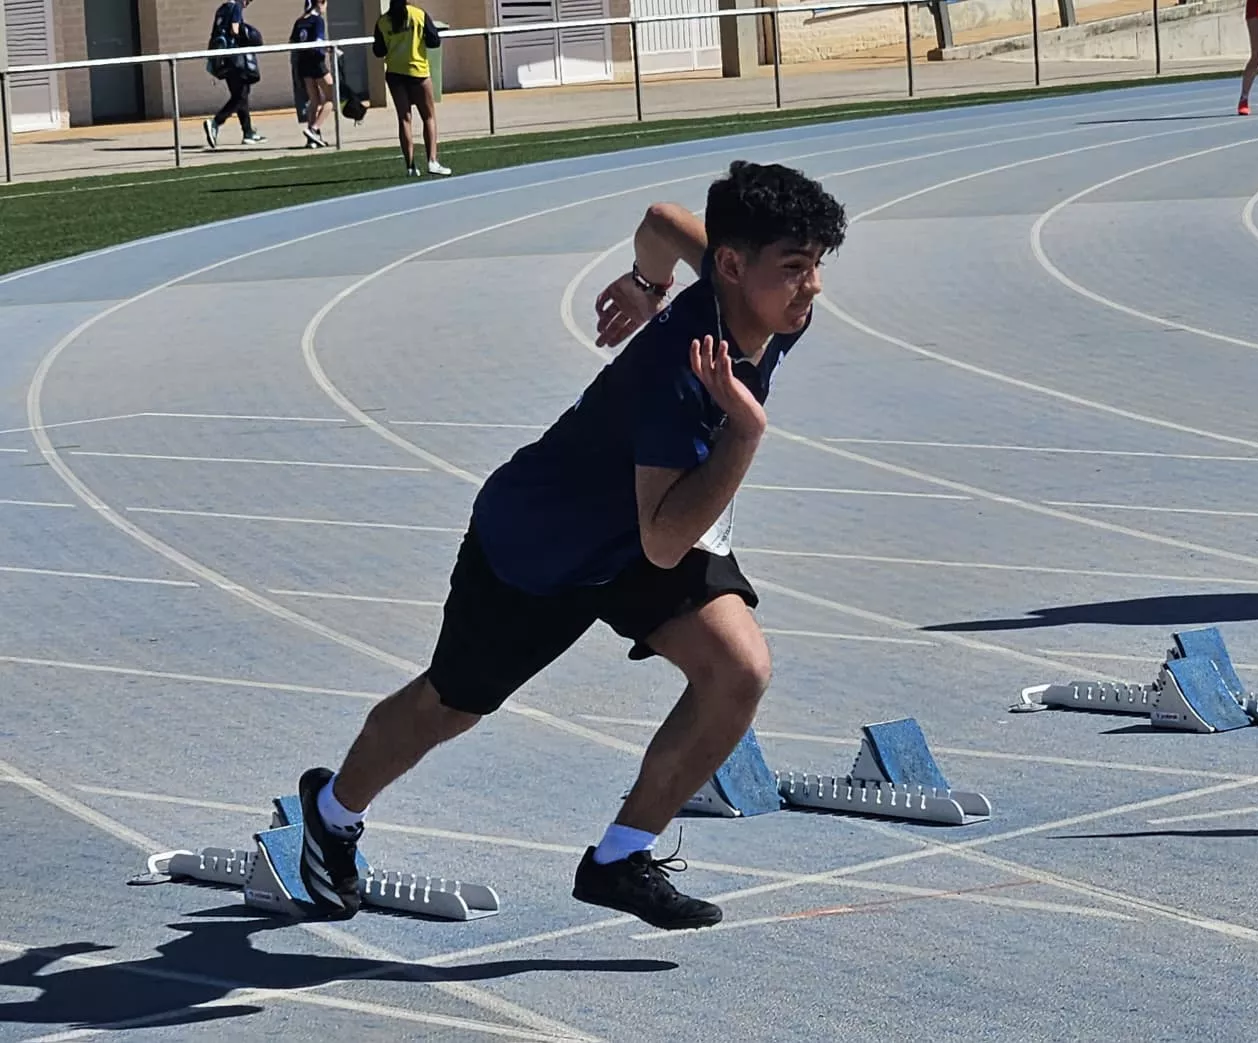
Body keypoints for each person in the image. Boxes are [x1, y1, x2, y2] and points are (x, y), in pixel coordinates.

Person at [294, 160, 847, 931]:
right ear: (732, 264)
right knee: (447, 707)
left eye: (816, 265)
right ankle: (330, 812)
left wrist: (644, 284)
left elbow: (661, 220)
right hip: (541, 547)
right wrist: (746, 430)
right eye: (794, 269)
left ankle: (619, 857)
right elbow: (663, 542)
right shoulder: (676, 372)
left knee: (738, 669)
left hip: (634, 534)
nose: (811, 288)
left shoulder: (763, 299)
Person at [372, 0, 450, 177]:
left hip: (394, 74)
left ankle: (410, 166)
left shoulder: (383, 21)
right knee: (428, 116)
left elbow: (378, 51)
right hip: (418, 72)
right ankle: (432, 161)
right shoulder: (418, 14)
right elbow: (434, 41)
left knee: (404, 119)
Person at [204, 0, 266, 147]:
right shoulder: (236, 7)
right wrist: (249, 38)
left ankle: (248, 132)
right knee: (240, 96)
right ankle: (216, 122)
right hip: (234, 59)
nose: (248, 3)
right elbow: (235, 30)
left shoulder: (222, 8)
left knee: (241, 94)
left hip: (223, 60)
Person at [291, 0, 333, 148]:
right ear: (320, 2)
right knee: (332, 96)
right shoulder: (317, 20)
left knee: (314, 100)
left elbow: (293, 42)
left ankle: (312, 139)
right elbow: (318, 42)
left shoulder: (300, 21)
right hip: (316, 64)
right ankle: (314, 129)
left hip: (304, 64)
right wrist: (331, 49)